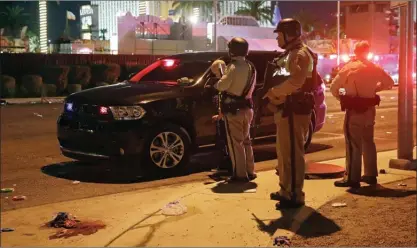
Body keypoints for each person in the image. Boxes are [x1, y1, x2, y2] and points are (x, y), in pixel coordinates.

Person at [263, 18, 317, 209]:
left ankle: (294, 194)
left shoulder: (299, 55)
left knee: (293, 154)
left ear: (290, 34)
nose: (277, 39)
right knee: (284, 152)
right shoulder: (291, 54)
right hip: (288, 109)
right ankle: (286, 190)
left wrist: (274, 93)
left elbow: (296, 82)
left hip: (295, 110)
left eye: (279, 35)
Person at [330, 41, 394, 188]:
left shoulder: (349, 68)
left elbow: (334, 88)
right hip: (370, 110)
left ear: (356, 51)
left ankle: (352, 178)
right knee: (369, 141)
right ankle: (371, 174)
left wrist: (344, 96)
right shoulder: (375, 67)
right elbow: (389, 82)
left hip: (354, 110)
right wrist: (375, 90)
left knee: (353, 144)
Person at [210, 37, 257, 182]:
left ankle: (240, 175)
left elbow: (221, 86)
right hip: (248, 108)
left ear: (232, 51)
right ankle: (250, 171)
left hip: (234, 109)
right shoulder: (251, 67)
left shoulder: (233, 67)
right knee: (246, 141)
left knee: (235, 143)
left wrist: (218, 79)